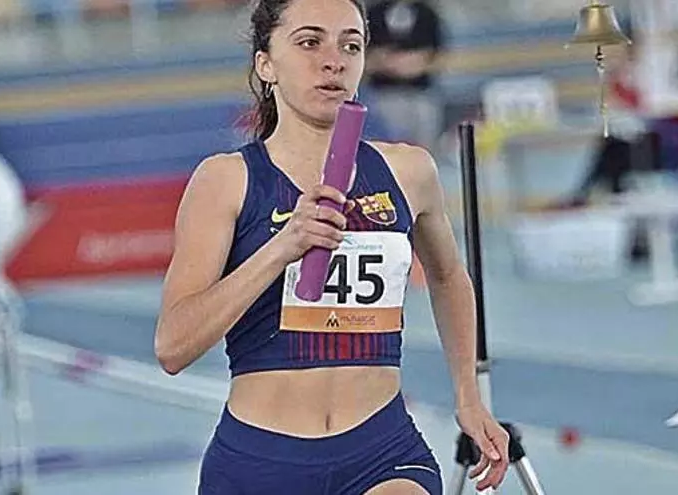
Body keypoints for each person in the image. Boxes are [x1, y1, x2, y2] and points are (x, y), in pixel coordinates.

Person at [154, 0, 508, 493]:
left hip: (382, 453)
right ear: (265, 64)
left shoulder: (409, 171)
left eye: (351, 46)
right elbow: (173, 347)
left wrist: (468, 396)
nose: (333, 61)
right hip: (260, 462)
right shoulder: (226, 181)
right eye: (309, 42)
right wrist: (282, 248)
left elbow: (448, 276)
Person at [364, 0, 444, 152]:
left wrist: (414, 62)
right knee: (387, 152)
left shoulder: (426, 13)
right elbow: (365, 57)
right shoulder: (374, 14)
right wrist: (389, 62)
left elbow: (437, 55)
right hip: (383, 96)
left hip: (421, 95)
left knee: (425, 152)